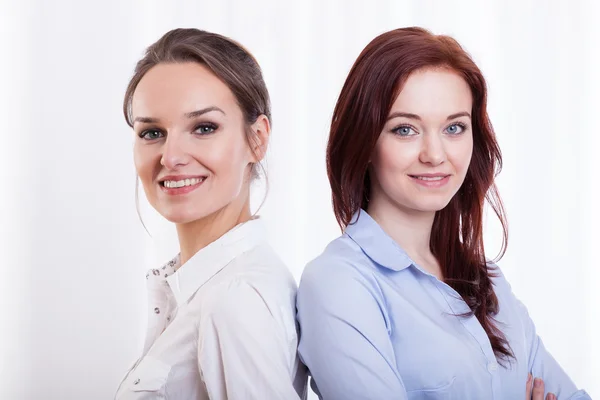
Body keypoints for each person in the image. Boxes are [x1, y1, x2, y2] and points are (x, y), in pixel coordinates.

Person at [296, 27, 590, 400]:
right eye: (405, 129)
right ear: (365, 140)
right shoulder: (338, 284)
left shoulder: (488, 280)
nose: (435, 155)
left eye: (454, 127)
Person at [115, 28, 306, 399]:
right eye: (152, 132)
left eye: (204, 127)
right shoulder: (207, 286)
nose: (170, 157)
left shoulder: (233, 299)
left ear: (257, 139)